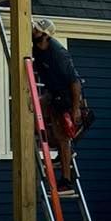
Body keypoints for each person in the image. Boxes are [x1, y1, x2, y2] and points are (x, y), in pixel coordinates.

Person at [31, 16, 83, 189]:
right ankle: (62, 152)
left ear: (45, 35)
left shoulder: (58, 53)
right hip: (52, 92)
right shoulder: (37, 48)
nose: (34, 31)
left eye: (37, 30)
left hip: (67, 96)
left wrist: (75, 109)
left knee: (63, 137)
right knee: (33, 108)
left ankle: (66, 180)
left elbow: (74, 82)